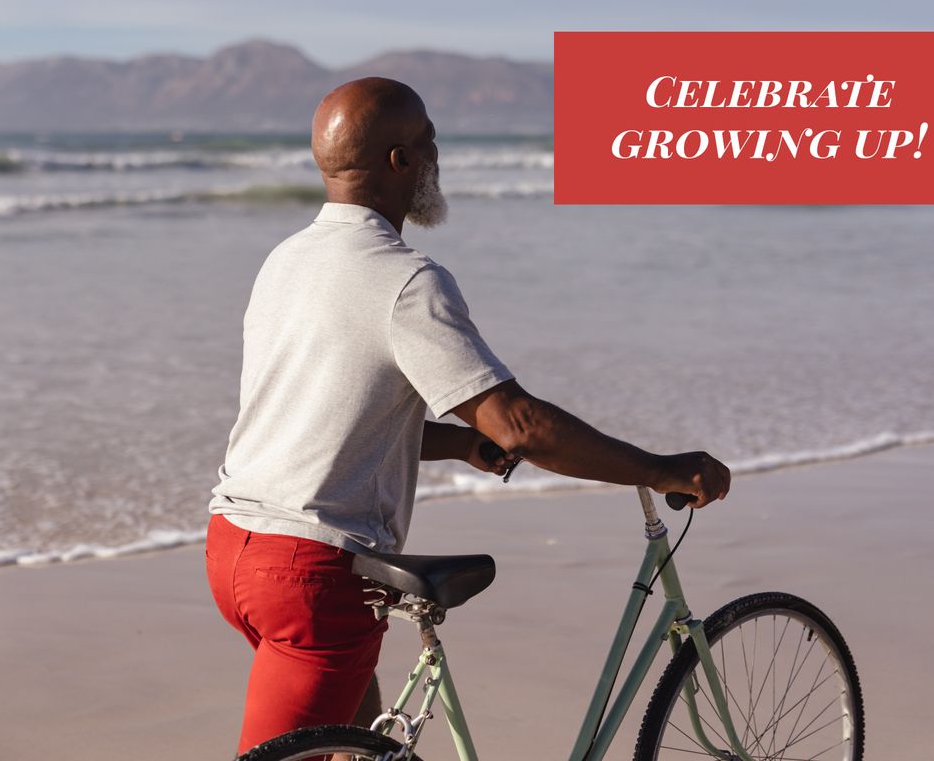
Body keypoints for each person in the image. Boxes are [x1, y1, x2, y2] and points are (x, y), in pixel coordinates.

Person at [206, 77, 731, 757]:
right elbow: (520, 424)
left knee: (353, 750)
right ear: (401, 161)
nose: (436, 154)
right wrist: (661, 467)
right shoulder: (403, 279)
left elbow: (318, 415)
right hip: (311, 576)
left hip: (232, 549)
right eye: (428, 140)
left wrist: (456, 443)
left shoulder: (286, 262)